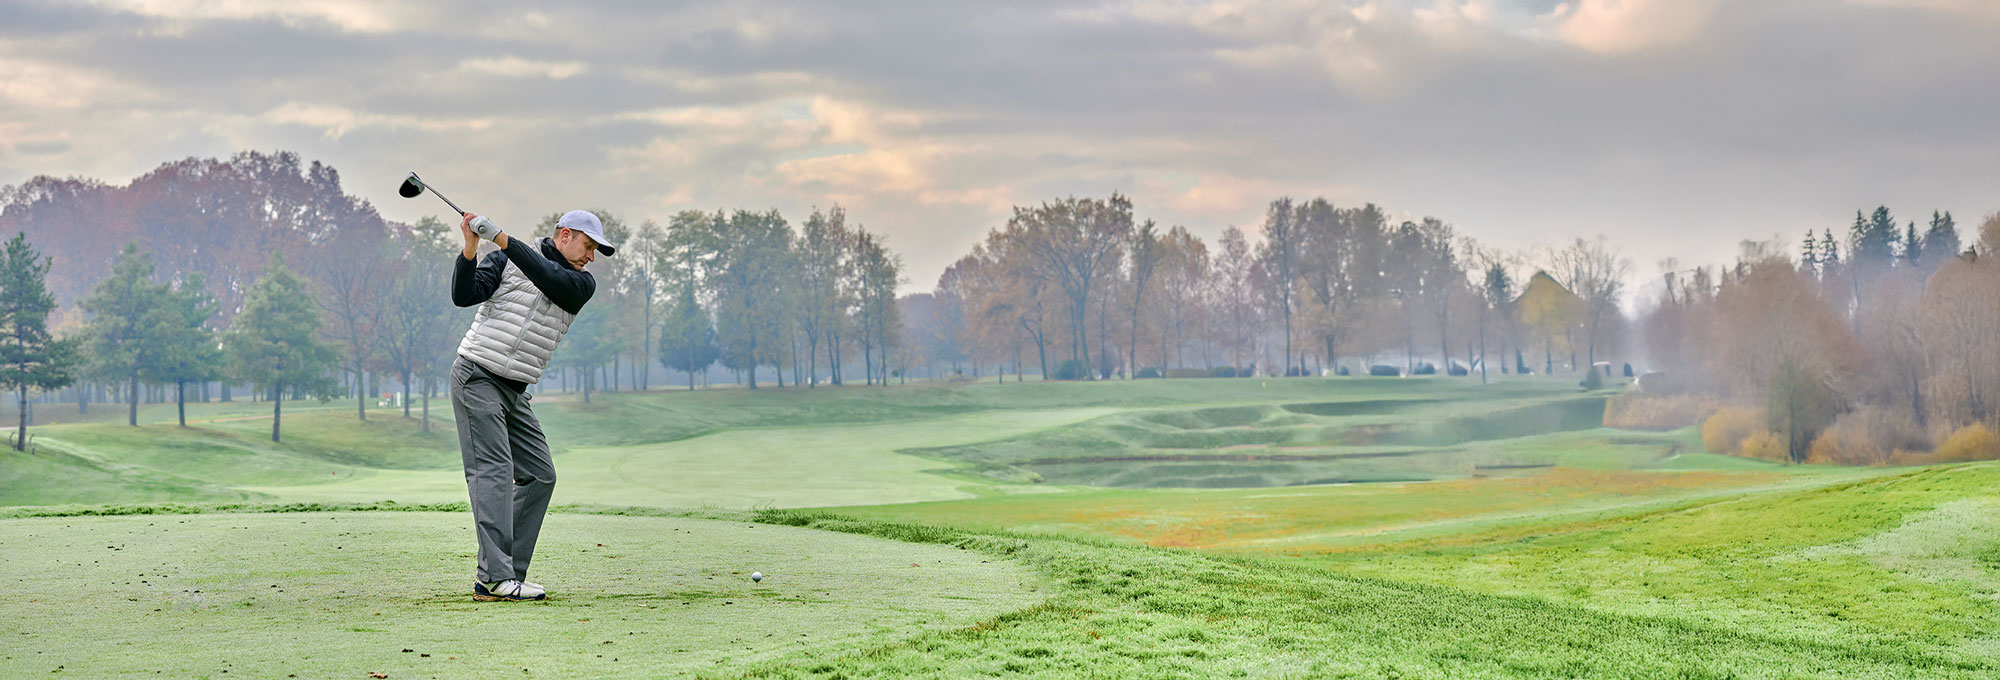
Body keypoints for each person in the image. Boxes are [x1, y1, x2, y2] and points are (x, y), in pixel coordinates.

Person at [448, 209, 616, 601]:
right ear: (565, 236)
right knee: (494, 469)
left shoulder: (579, 284)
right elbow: (463, 295)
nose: (591, 257)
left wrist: (502, 236)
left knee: (540, 474)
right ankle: (494, 578)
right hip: (477, 375)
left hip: (515, 389)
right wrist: (472, 248)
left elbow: (547, 277)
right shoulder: (505, 260)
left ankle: (508, 575)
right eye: (588, 246)